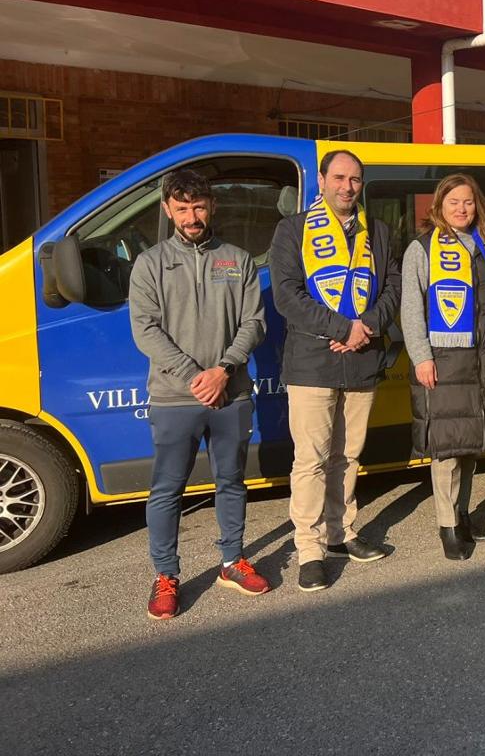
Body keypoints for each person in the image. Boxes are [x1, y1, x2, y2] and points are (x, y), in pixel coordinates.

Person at [129, 169, 268, 619]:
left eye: (200, 206)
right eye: (183, 208)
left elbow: (255, 322)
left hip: (231, 393)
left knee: (231, 481)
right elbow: (145, 330)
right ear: (168, 210)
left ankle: (231, 562)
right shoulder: (150, 264)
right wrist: (196, 375)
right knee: (168, 488)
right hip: (175, 397)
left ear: (212, 207)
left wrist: (224, 370)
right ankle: (166, 574)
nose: (192, 216)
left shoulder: (238, 259)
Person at [269, 149, 402, 592]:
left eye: (356, 179)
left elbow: (393, 287)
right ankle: (309, 549)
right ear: (322, 181)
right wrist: (342, 326)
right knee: (311, 459)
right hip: (313, 361)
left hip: (362, 360)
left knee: (348, 456)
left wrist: (366, 329)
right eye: (340, 177)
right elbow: (287, 295)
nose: (348, 187)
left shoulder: (378, 232)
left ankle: (341, 533)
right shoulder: (293, 229)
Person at [401, 173, 485, 561]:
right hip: (445, 358)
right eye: (453, 203)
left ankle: (463, 514)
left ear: (477, 205)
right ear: (439, 206)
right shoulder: (422, 248)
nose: (461, 209)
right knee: (447, 448)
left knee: (472, 444)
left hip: (484, 355)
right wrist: (421, 357)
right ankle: (448, 525)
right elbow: (411, 308)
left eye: (468, 202)